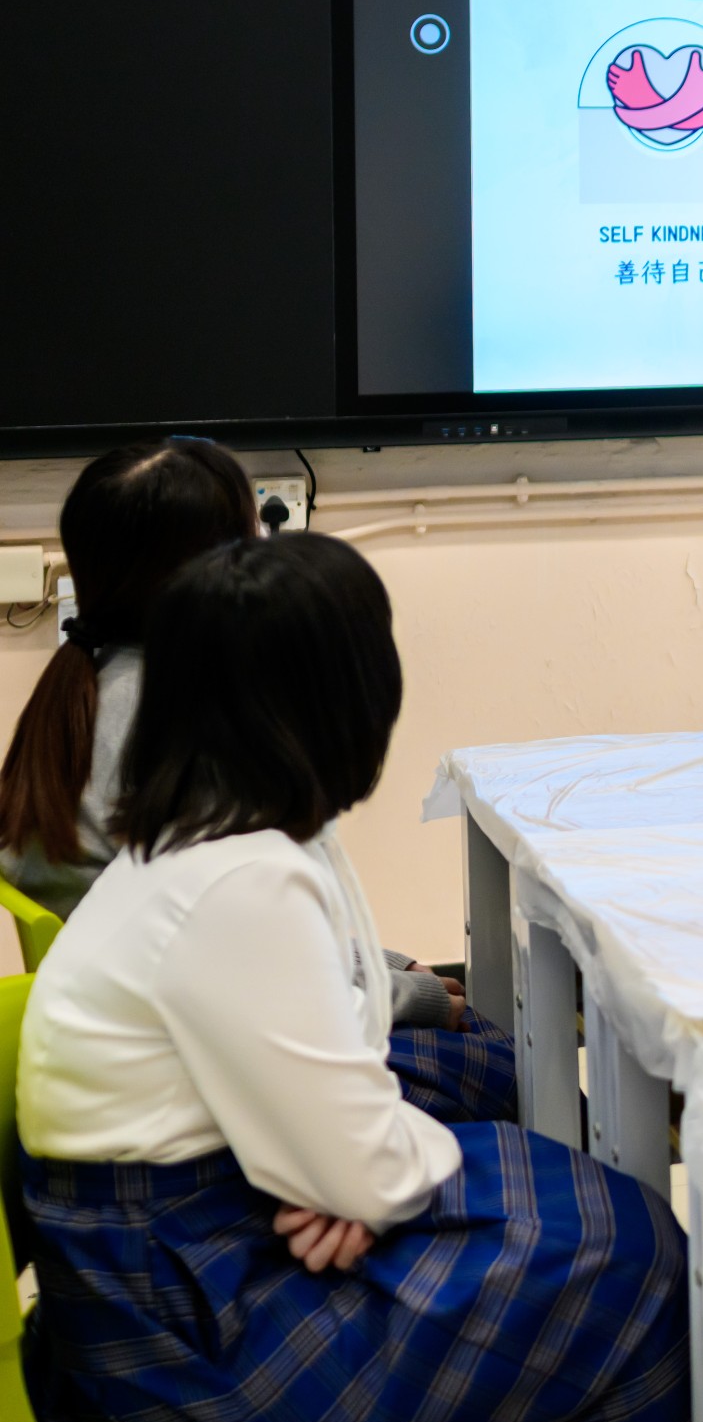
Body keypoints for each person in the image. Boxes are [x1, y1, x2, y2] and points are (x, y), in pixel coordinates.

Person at [17, 534, 689, 1422]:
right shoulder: (243, 879)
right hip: (190, 1332)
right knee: (635, 1252)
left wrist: (354, 1179)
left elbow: (350, 1079)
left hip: (169, 1263)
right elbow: (363, 1154)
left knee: (555, 1183)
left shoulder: (209, 829)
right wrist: (359, 1184)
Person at [0, 439, 494, 1116]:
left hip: (154, 1042)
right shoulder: (178, 728)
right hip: (202, 1066)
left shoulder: (86, 689)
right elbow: (254, 965)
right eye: (249, 539)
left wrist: (386, 966)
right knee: (503, 1065)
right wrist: (412, 994)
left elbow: (248, 932)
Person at [1, 439, 254, 918]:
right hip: (162, 958)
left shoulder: (82, 683)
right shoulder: (182, 719)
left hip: (95, 952)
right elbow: (246, 915)